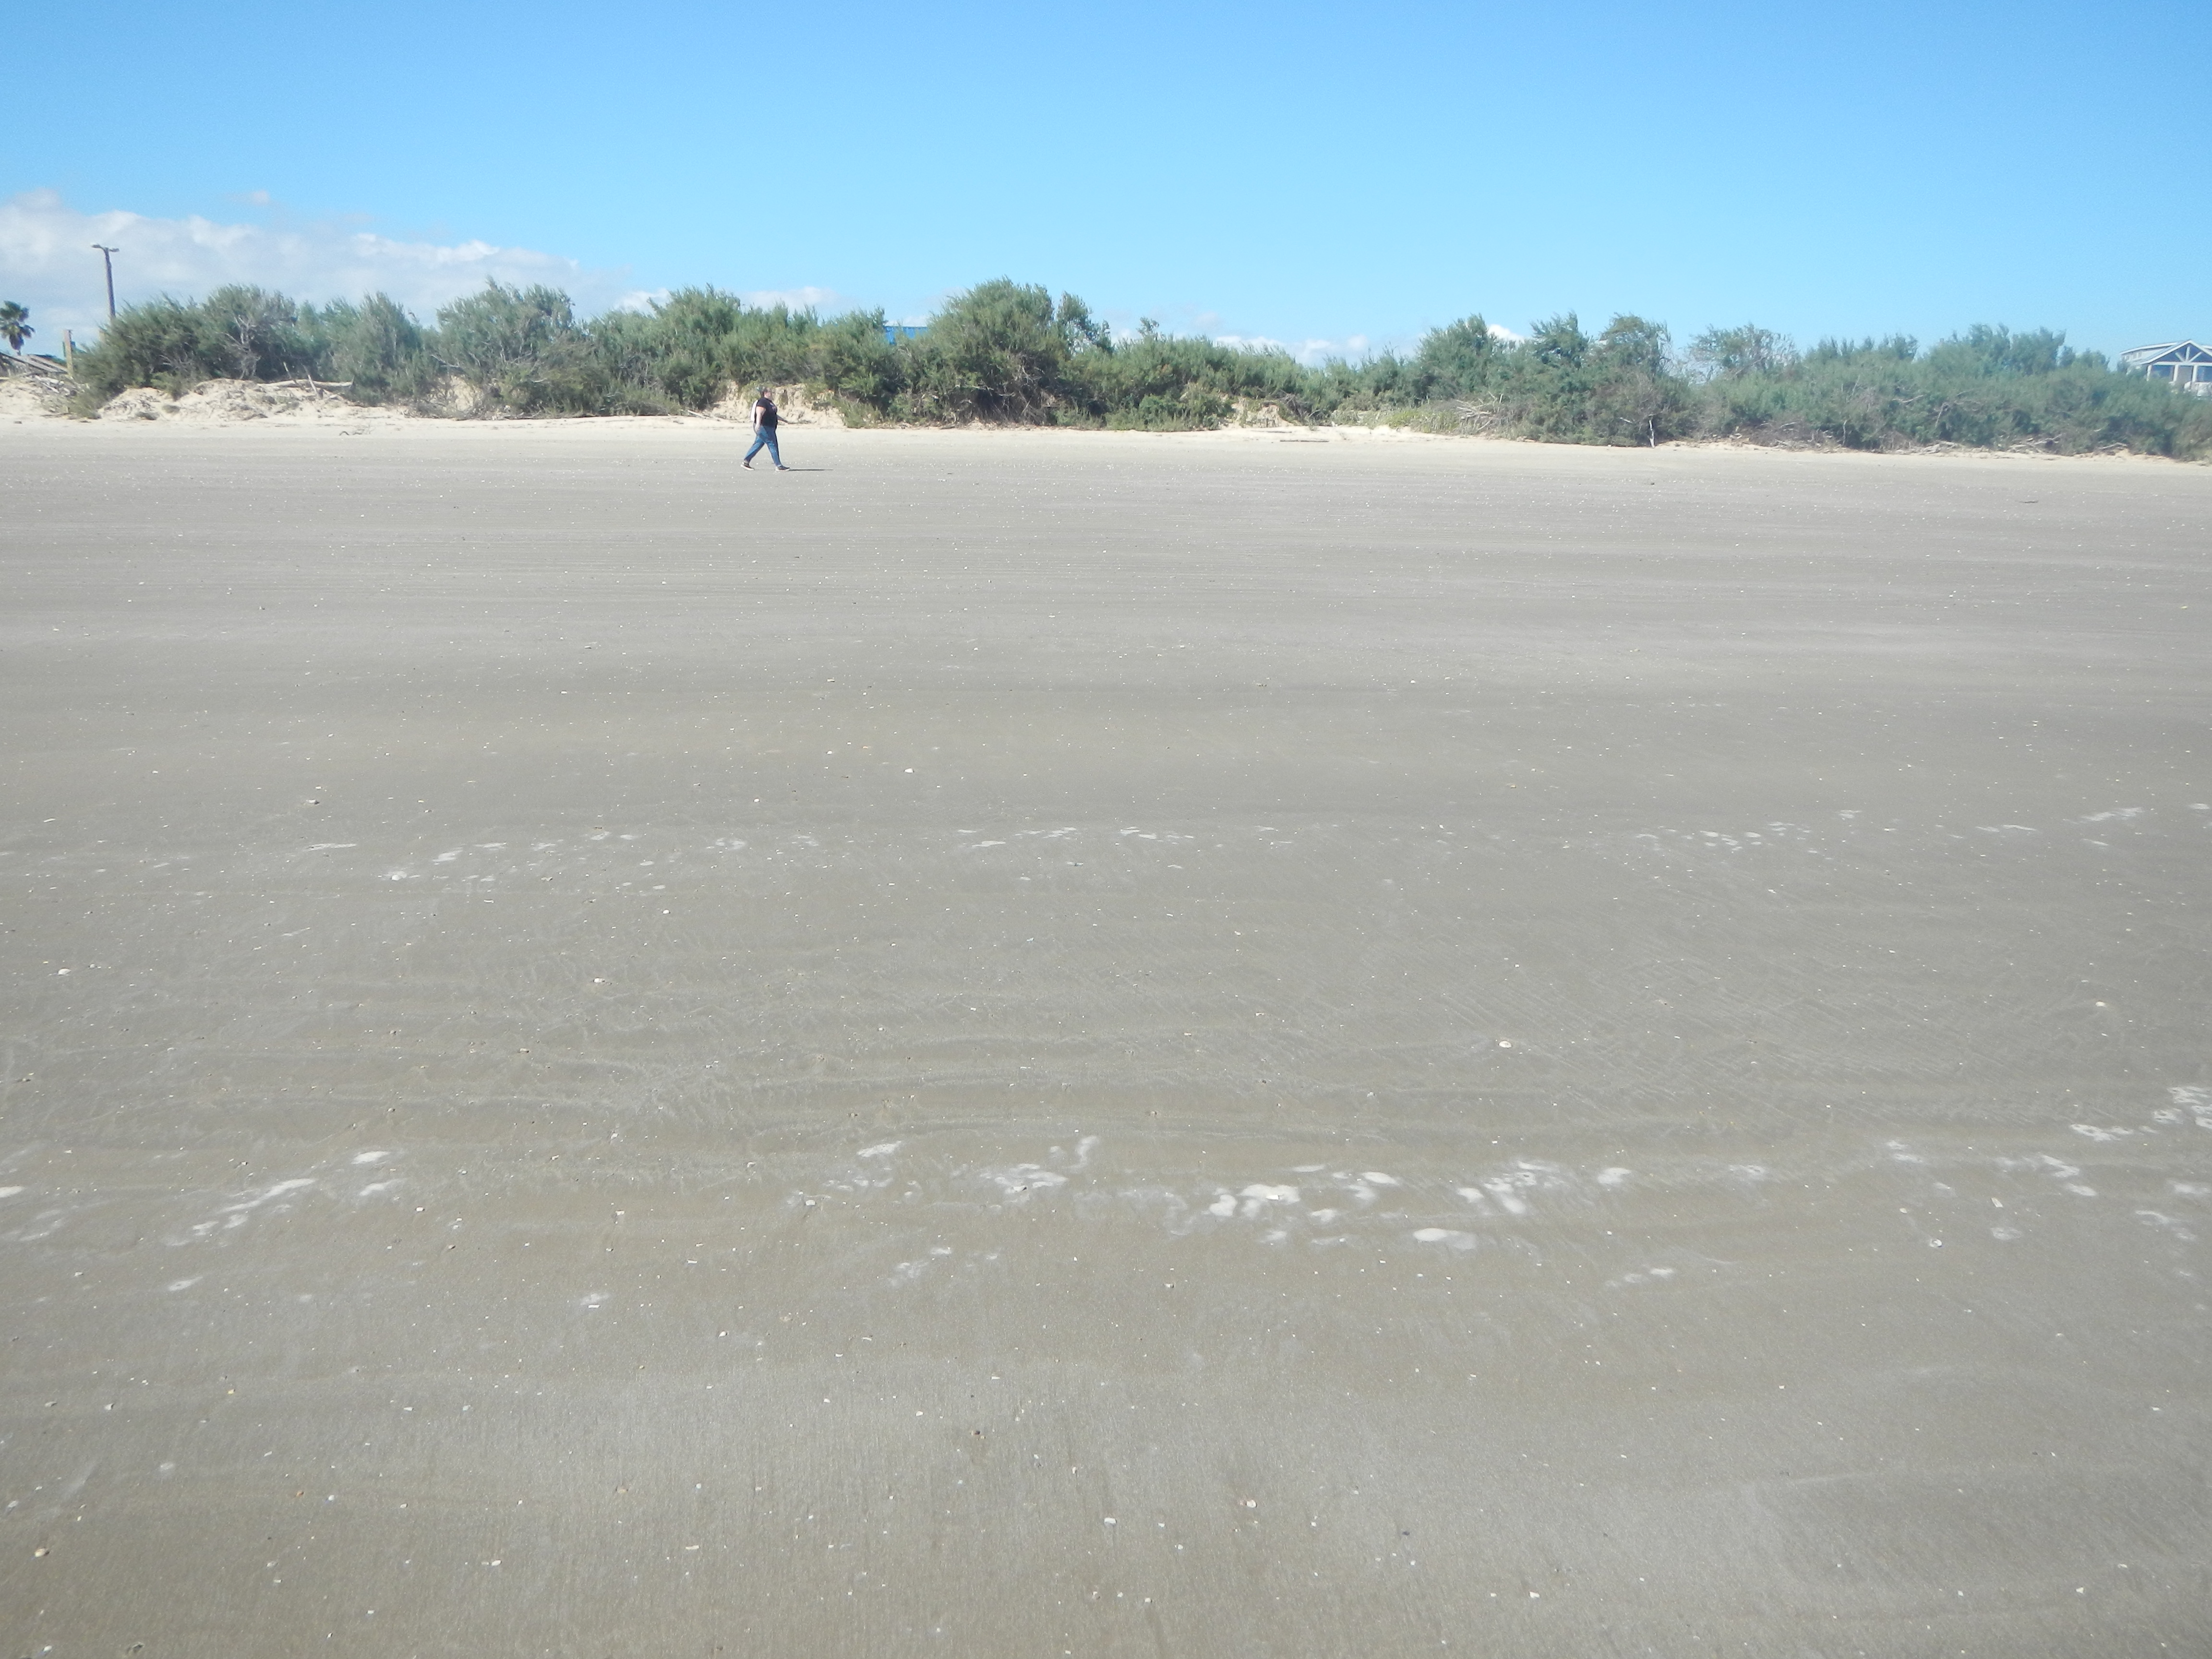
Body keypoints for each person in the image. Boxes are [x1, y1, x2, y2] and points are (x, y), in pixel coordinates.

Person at [744, 387, 790, 470]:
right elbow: (759, 413)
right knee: (772, 444)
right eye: (770, 392)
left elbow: (772, 414)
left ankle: (746, 462)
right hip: (764, 427)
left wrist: (783, 420)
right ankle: (779, 466)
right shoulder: (763, 402)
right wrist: (758, 424)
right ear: (765, 393)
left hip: (769, 427)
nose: (772, 394)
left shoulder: (769, 403)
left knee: (758, 444)